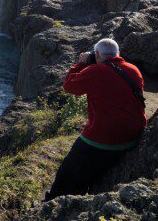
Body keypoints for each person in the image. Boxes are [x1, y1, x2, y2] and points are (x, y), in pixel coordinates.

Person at [45, 38, 146, 201]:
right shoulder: (133, 69)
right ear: (118, 53)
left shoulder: (95, 71)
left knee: (68, 172)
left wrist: (82, 63)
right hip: (133, 136)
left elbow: (69, 86)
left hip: (103, 138)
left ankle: (53, 204)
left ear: (97, 54)